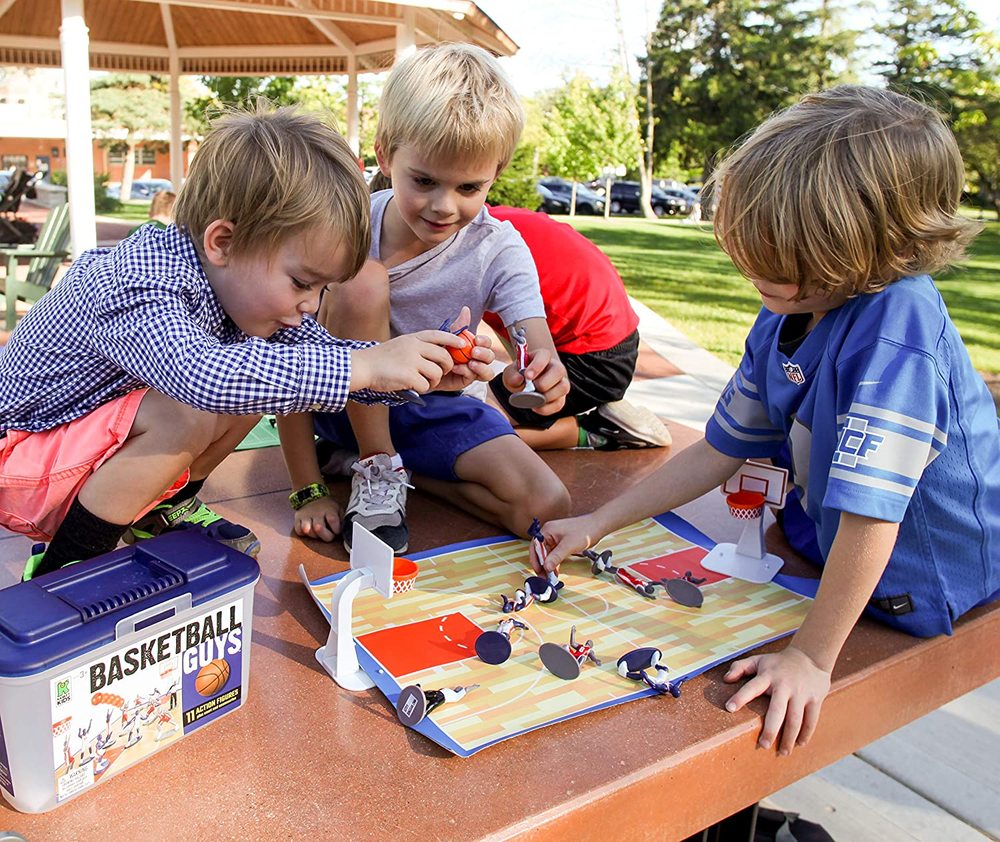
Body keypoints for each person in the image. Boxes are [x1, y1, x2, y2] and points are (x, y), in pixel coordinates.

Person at [531, 86, 999, 757]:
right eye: (753, 249)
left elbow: (873, 514)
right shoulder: (787, 305)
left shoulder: (901, 321)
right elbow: (719, 447)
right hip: (833, 535)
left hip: (918, 579)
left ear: (882, 246)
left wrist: (811, 657)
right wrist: (598, 522)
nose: (758, 273)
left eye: (786, 261)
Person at [0, 103, 491, 580]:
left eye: (322, 289)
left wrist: (414, 376)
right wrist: (365, 368)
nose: (311, 304)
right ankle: (64, 570)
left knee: (263, 374)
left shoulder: (233, 290)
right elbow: (201, 376)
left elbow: (319, 358)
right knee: (194, 404)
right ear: (223, 242)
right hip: (17, 460)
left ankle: (159, 514)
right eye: (302, 283)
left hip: (72, 453)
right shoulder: (142, 280)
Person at [278, 43, 571, 554]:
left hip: (434, 408)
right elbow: (285, 355)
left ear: (495, 173)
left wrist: (538, 373)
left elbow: (535, 345)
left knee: (548, 506)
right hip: (339, 401)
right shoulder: (345, 225)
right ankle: (375, 463)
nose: (443, 206)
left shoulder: (497, 247)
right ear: (386, 154)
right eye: (426, 181)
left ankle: (395, 472)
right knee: (363, 280)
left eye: (468, 187)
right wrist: (307, 489)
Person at [484, 205, 671, 451]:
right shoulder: (489, 218)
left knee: (461, 428)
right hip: (604, 338)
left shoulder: (468, 246)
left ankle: (596, 430)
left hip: (596, 359)